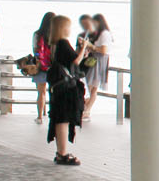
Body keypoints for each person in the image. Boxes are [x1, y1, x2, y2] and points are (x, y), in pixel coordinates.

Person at [45, 14, 85, 166]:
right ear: (63, 28)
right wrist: (84, 49)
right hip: (66, 89)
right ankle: (63, 153)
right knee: (63, 120)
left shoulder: (53, 45)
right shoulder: (63, 43)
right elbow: (74, 61)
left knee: (59, 119)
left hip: (57, 87)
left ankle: (60, 152)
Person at [82, 13, 114, 119]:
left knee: (91, 87)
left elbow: (103, 50)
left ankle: (86, 110)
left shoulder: (104, 33)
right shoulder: (101, 33)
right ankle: (86, 110)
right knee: (91, 87)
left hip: (98, 60)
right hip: (96, 59)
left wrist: (91, 46)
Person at [31, 11, 55, 124]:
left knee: (41, 92)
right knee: (52, 92)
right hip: (52, 67)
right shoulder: (55, 34)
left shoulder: (37, 34)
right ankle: (53, 114)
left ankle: (40, 116)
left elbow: (35, 50)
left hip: (40, 66)